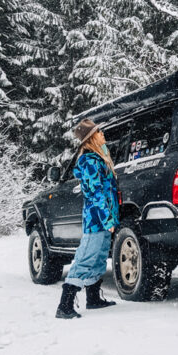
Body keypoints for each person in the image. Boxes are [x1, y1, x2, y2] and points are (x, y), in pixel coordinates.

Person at [55, 118, 119, 319]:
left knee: (99, 258)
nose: (103, 134)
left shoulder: (99, 158)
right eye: (99, 132)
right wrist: (107, 219)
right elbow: (96, 193)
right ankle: (64, 305)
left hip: (104, 217)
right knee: (86, 258)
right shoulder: (89, 161)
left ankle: (93, 298)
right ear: (91, 138)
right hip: (96, 219)